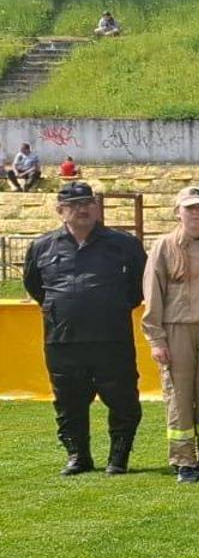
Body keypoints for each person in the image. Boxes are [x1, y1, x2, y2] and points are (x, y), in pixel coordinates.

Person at [28, 181, 147, 476]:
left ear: (96, 207)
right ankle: (78, 456)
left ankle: (118, 458)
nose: (82, 209)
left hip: (112, 338)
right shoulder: (42, 246)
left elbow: (138, 287)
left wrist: (113, 306)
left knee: (123, 399)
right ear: (60, 210)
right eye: (74, 205)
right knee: (68, 402)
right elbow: (35, 286)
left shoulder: (124, 244)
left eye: (88, 203)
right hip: (63, 340)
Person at [144, 187, 199, 482]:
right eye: (189, 208)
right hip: (176, 329)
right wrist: (156, 338)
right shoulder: (164, 246)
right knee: (178, 395)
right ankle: (183, 460)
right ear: (177, 212)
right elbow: (153, 293)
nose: (195, 213)